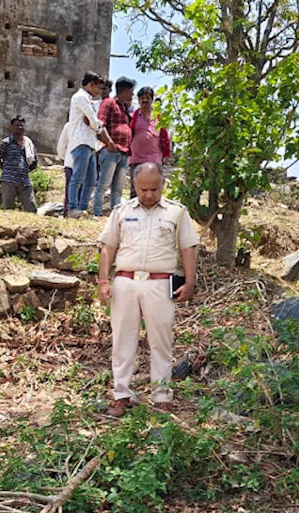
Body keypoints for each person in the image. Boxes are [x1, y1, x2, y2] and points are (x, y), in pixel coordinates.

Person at [97, 163, 199, 416]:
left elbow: (188, 247)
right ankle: (121, 395)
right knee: (122, 340)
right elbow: (108, 246)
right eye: (143, 189)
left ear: (163, 184)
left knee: (161, 341)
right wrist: (103, 281)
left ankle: (162, 396)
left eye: (154, 189)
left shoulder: (176, 213)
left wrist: (189, 281)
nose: (149, 195)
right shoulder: (121, 211)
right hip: (125, 283)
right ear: (134, 185)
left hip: (160, 283)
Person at [67, 73, 114, 218]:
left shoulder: (88, 99)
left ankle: (82, 207)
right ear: (91, 85)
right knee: (78, 177)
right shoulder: (80, 97)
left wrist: (96, 125)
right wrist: (99, 127)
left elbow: (93, 122)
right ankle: (73, 207)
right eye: (98, 87)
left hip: (89, 143)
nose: (100, 92)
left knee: (91, 179)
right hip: (81, 142)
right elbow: (93, 121)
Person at [95, 77, 135, 217]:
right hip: (112, 150)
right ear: (124, 90)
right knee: (103, 185)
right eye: (131, 91)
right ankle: (97, 213)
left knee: (118, 189)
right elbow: (100, 124)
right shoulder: (109, 103)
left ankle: (115, 216)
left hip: (124, 152)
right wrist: (109, 142)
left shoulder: (125, 108)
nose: (132, 95)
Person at [0, 116, 38, 213]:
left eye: (21, 125)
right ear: (11, 127)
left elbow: (34, 162)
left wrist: (24, 170)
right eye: (17, 125)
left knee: (31, 207)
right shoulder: (6, 143)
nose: (19, 127)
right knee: (8, 208)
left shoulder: (29, 144)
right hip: (9, 180)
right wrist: (7, 169)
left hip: (24, 180)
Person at [128, 87, 171, 172]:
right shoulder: (132, 117)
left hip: (155, 159)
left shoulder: (159, 117)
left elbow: (165, 136)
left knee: (154, 184)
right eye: (142, 98)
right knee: (137, 185)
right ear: (138, 100)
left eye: (147, 98)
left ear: (152, 99)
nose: (145, 100)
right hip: (137, 159)